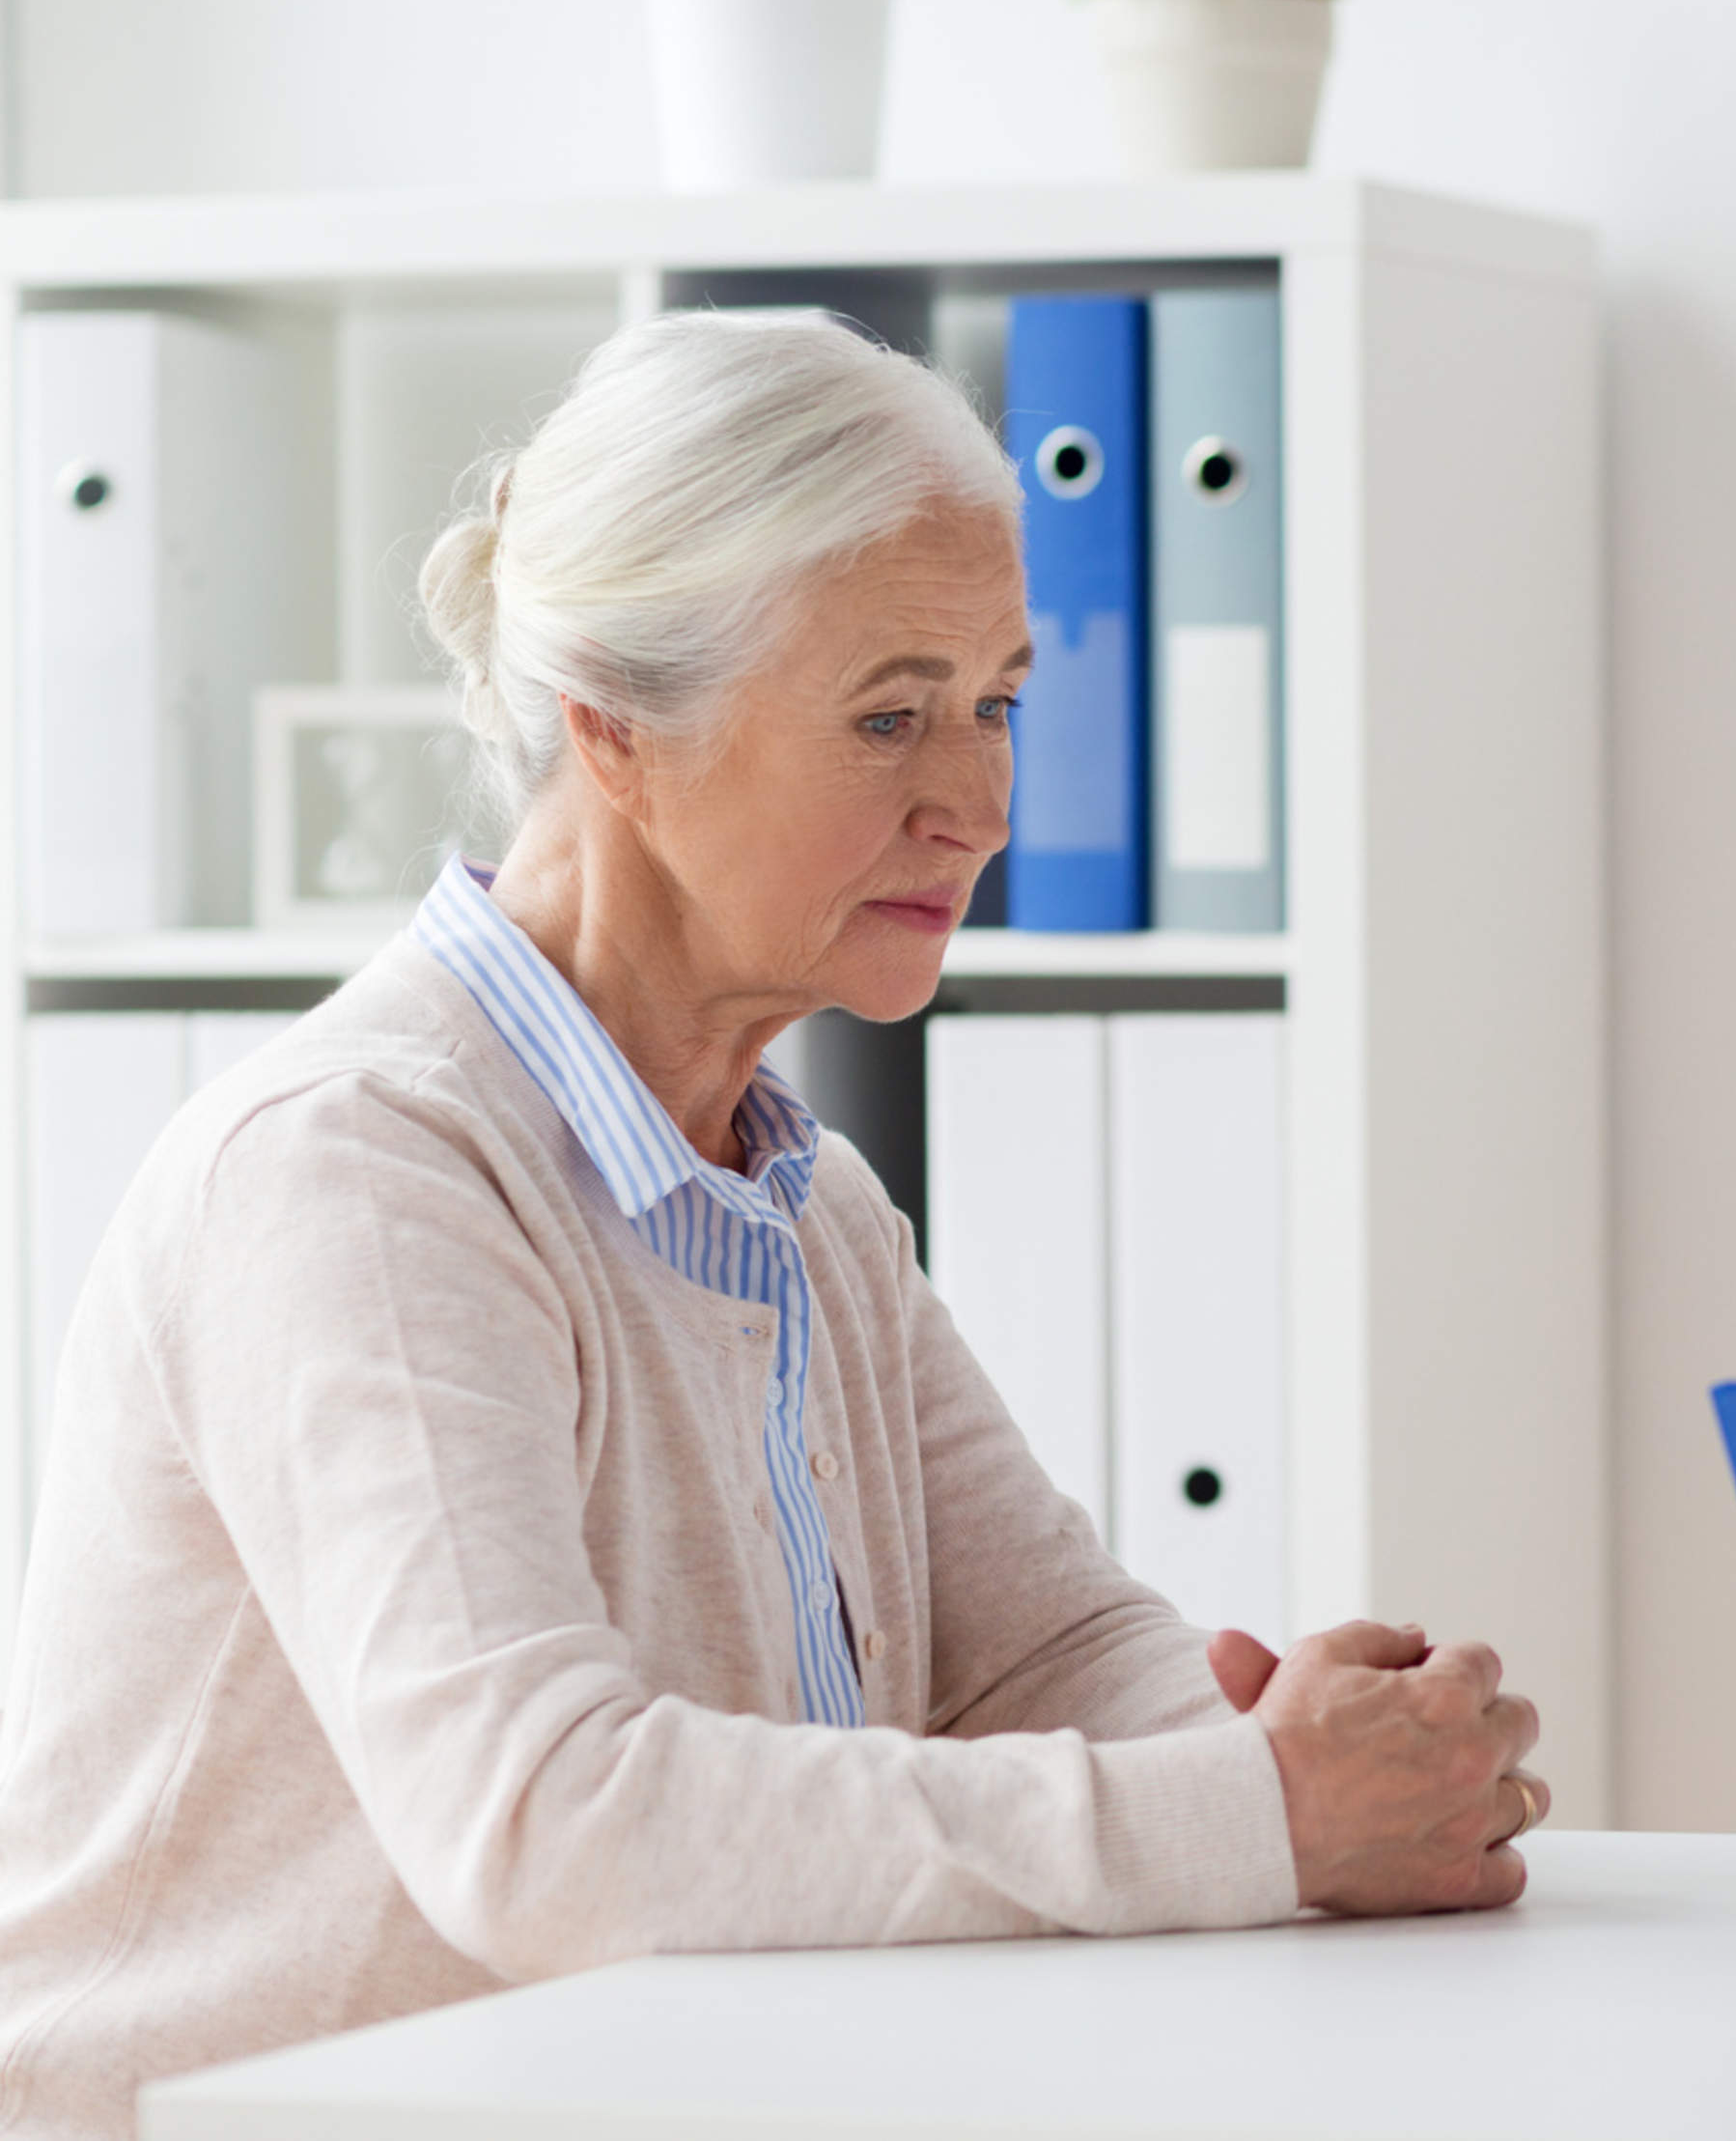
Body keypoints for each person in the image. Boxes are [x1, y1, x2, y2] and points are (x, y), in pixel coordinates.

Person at [0, 312, 1545, 2140]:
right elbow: (543, 1828)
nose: (979, 804)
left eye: (998, 703)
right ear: (616, 728)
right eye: (890, 715)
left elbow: (1042, 1658)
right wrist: (1258, 1816)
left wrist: (1324, 1754)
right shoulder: (358, 1172)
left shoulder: (809, 1207)